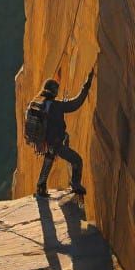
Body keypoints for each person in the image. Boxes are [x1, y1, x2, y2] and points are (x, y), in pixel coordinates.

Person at [35, 69, 94, 197]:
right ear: (54, 92)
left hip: (46, 142)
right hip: (55, 143)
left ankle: (40, 186)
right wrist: (86, 86)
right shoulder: (57, 106)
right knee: (77, 160)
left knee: (48, 160)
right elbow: (75, 104)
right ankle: (75, 184)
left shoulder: (42, 105)